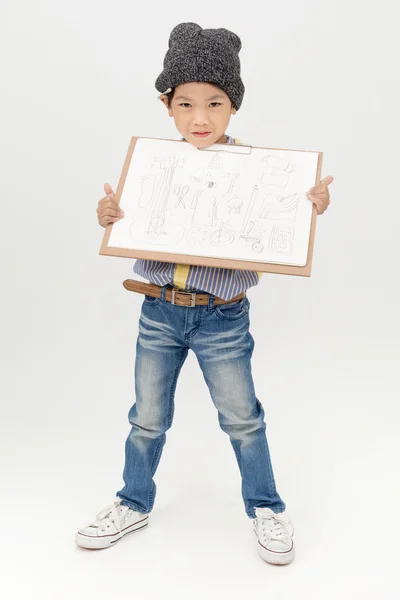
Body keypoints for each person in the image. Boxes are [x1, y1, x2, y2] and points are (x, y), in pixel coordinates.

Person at [76, 22, 333, 565]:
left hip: (222, 317)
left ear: (233, 108)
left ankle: (266, 507)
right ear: (168, 106)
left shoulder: (260, 173)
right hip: (159, 311)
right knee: (147, 416)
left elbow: (284, 215)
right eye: (186, 103)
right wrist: (110, 216)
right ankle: (133, 501)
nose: (200, 117)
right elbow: (126, 222)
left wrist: (306, 202)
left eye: (215, 104)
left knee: (242, 417)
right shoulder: (154, 168)